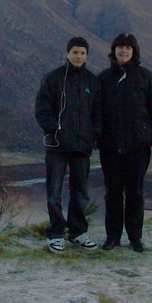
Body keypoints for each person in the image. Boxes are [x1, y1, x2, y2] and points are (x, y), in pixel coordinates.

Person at [98, 32, 152, 252]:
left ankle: (135, 237)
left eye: (128, 47)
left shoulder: (146, 78)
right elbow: (96, 111)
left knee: (135, 192)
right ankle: (112, 237)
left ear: (134, 51)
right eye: (120, 47)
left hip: (138, 144)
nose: (124, 51)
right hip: (110, 145)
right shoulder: (103, 79)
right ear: (114, 50)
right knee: (113, 192)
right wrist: (96, 135)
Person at [34, 36, 101, 253]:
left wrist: (93, 135)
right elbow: (42, 108)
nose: (79, 56)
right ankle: (55, 233)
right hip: (57, 146)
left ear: (87, 55)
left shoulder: (92, 81)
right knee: (54, 191)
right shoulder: (53, 78)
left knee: (80, 192)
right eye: (75, 52)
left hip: (82, 146)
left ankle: (78, 232)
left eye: (82, 53)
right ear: (67, 53)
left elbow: (98, 113)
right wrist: (55, 131)